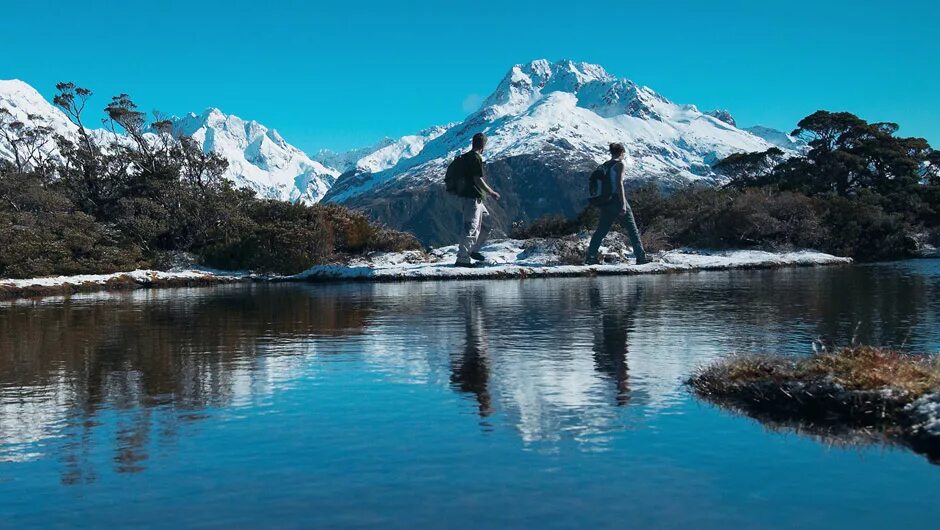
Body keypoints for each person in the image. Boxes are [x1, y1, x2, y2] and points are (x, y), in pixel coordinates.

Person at [584, 142, 650, 265]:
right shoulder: (620, 164)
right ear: (621, 152)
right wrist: (623, 204)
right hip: (617, 200)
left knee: (601, 231)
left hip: (606, 201)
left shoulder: (605, 165)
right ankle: (641, 257)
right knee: (632, 230)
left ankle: (590, 257)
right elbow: (619, 184)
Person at [455, 132, 500, 267]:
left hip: (472, 198)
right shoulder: (476, 158)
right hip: (472, 198)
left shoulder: (466, 157)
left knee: (487, 223)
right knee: (471, 227)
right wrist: (491, 192)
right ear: (483, 145)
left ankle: (473, 250)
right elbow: (477, 179)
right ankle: (462, 258)